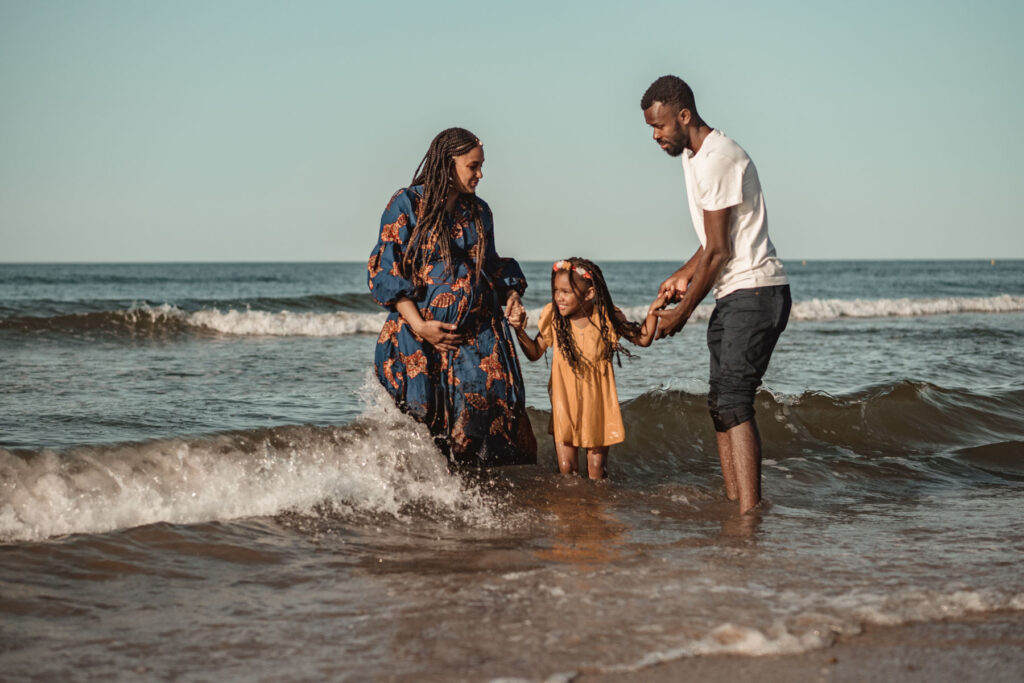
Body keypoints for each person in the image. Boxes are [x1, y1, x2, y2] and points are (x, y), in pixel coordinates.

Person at [641, 75, 791, 514]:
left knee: (734, 400)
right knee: (719, 404)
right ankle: (736, 504)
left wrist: (683, 312)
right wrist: (683, 274)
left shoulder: (717, 159)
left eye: (660, 126)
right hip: (735, 292)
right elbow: (712, 242)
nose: (655, 136)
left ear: (683, 116)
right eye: (651, 128)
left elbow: (722, 250)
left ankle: (749, 512)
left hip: (756, 291)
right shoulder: (695, 156)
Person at [367, 127, 536, 467]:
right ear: (448, 163)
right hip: (420, 336)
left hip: (475, 339)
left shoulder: (479, 211)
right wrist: (420, 325)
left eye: (481, 165)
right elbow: (386, 270)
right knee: (424, 427)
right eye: (473, 166)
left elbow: (490, 265)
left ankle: (471, 507)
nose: (480, 174)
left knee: (481, 427)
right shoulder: (407, 203)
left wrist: (513, 296)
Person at [509, 257, 663, 479]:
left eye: (566, 291)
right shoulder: (554, 318)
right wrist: (519, 331)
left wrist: (653, 312)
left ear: (589, 293)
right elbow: (534, 353)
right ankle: (572, 509)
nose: (558, 297)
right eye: (555, 290)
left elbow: (643, 339)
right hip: (564, 404)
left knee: (597, 470)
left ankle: (597, 508)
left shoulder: (606, 318)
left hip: (598, 406)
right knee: (566, 469)